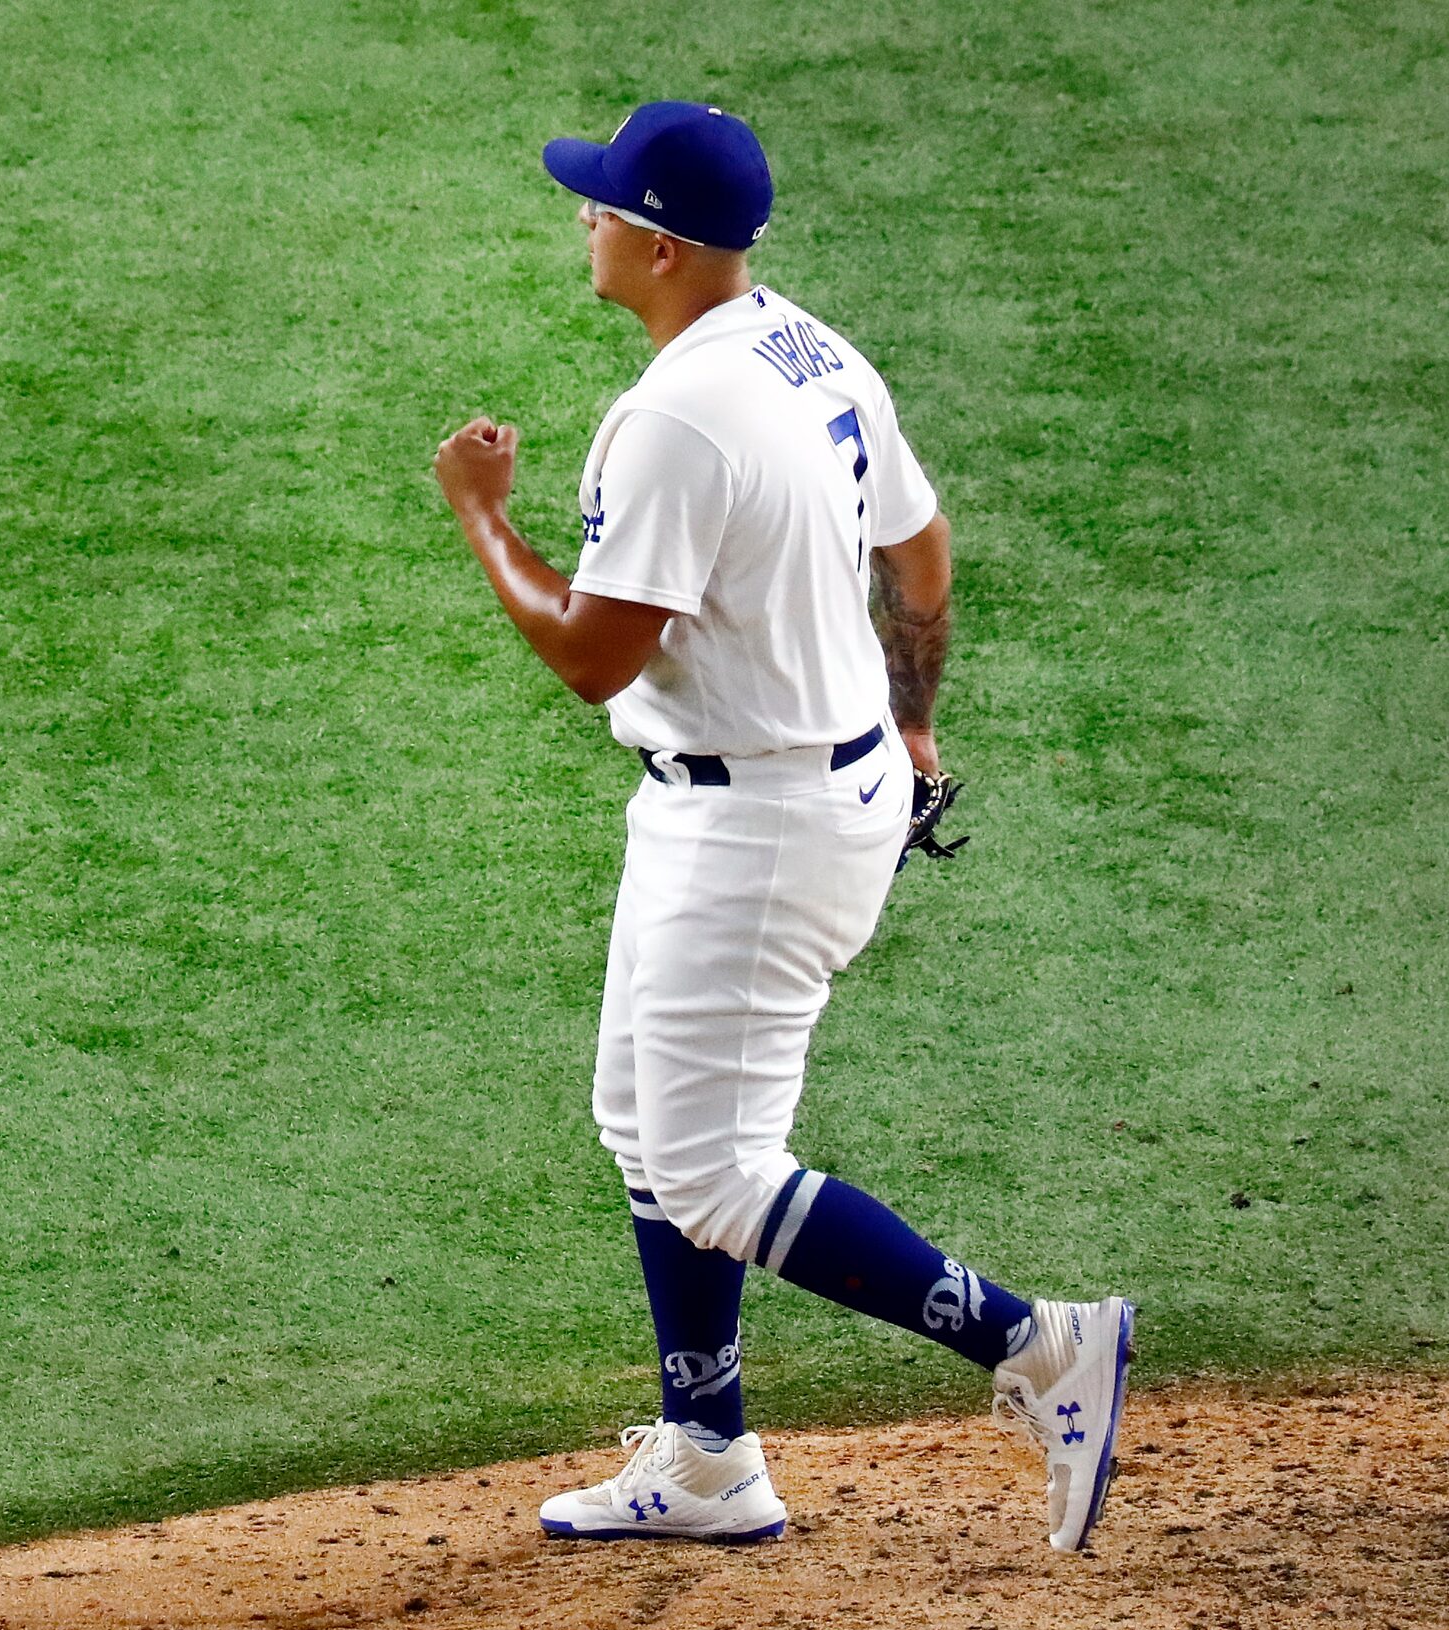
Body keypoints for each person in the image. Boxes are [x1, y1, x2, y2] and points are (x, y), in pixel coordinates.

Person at [431, 101, 1132, 1551]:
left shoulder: (678, 417)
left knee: (711, 1169)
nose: (584, 217)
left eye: (603, 204)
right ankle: (704, 1458)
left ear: (663, 244)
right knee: (640, 1122)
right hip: (784, 784)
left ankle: (1037, 1346)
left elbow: (589, 657)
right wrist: (916, 715)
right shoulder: (801, 342)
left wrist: (482, 516)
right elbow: (918, 546)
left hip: (759, 825)